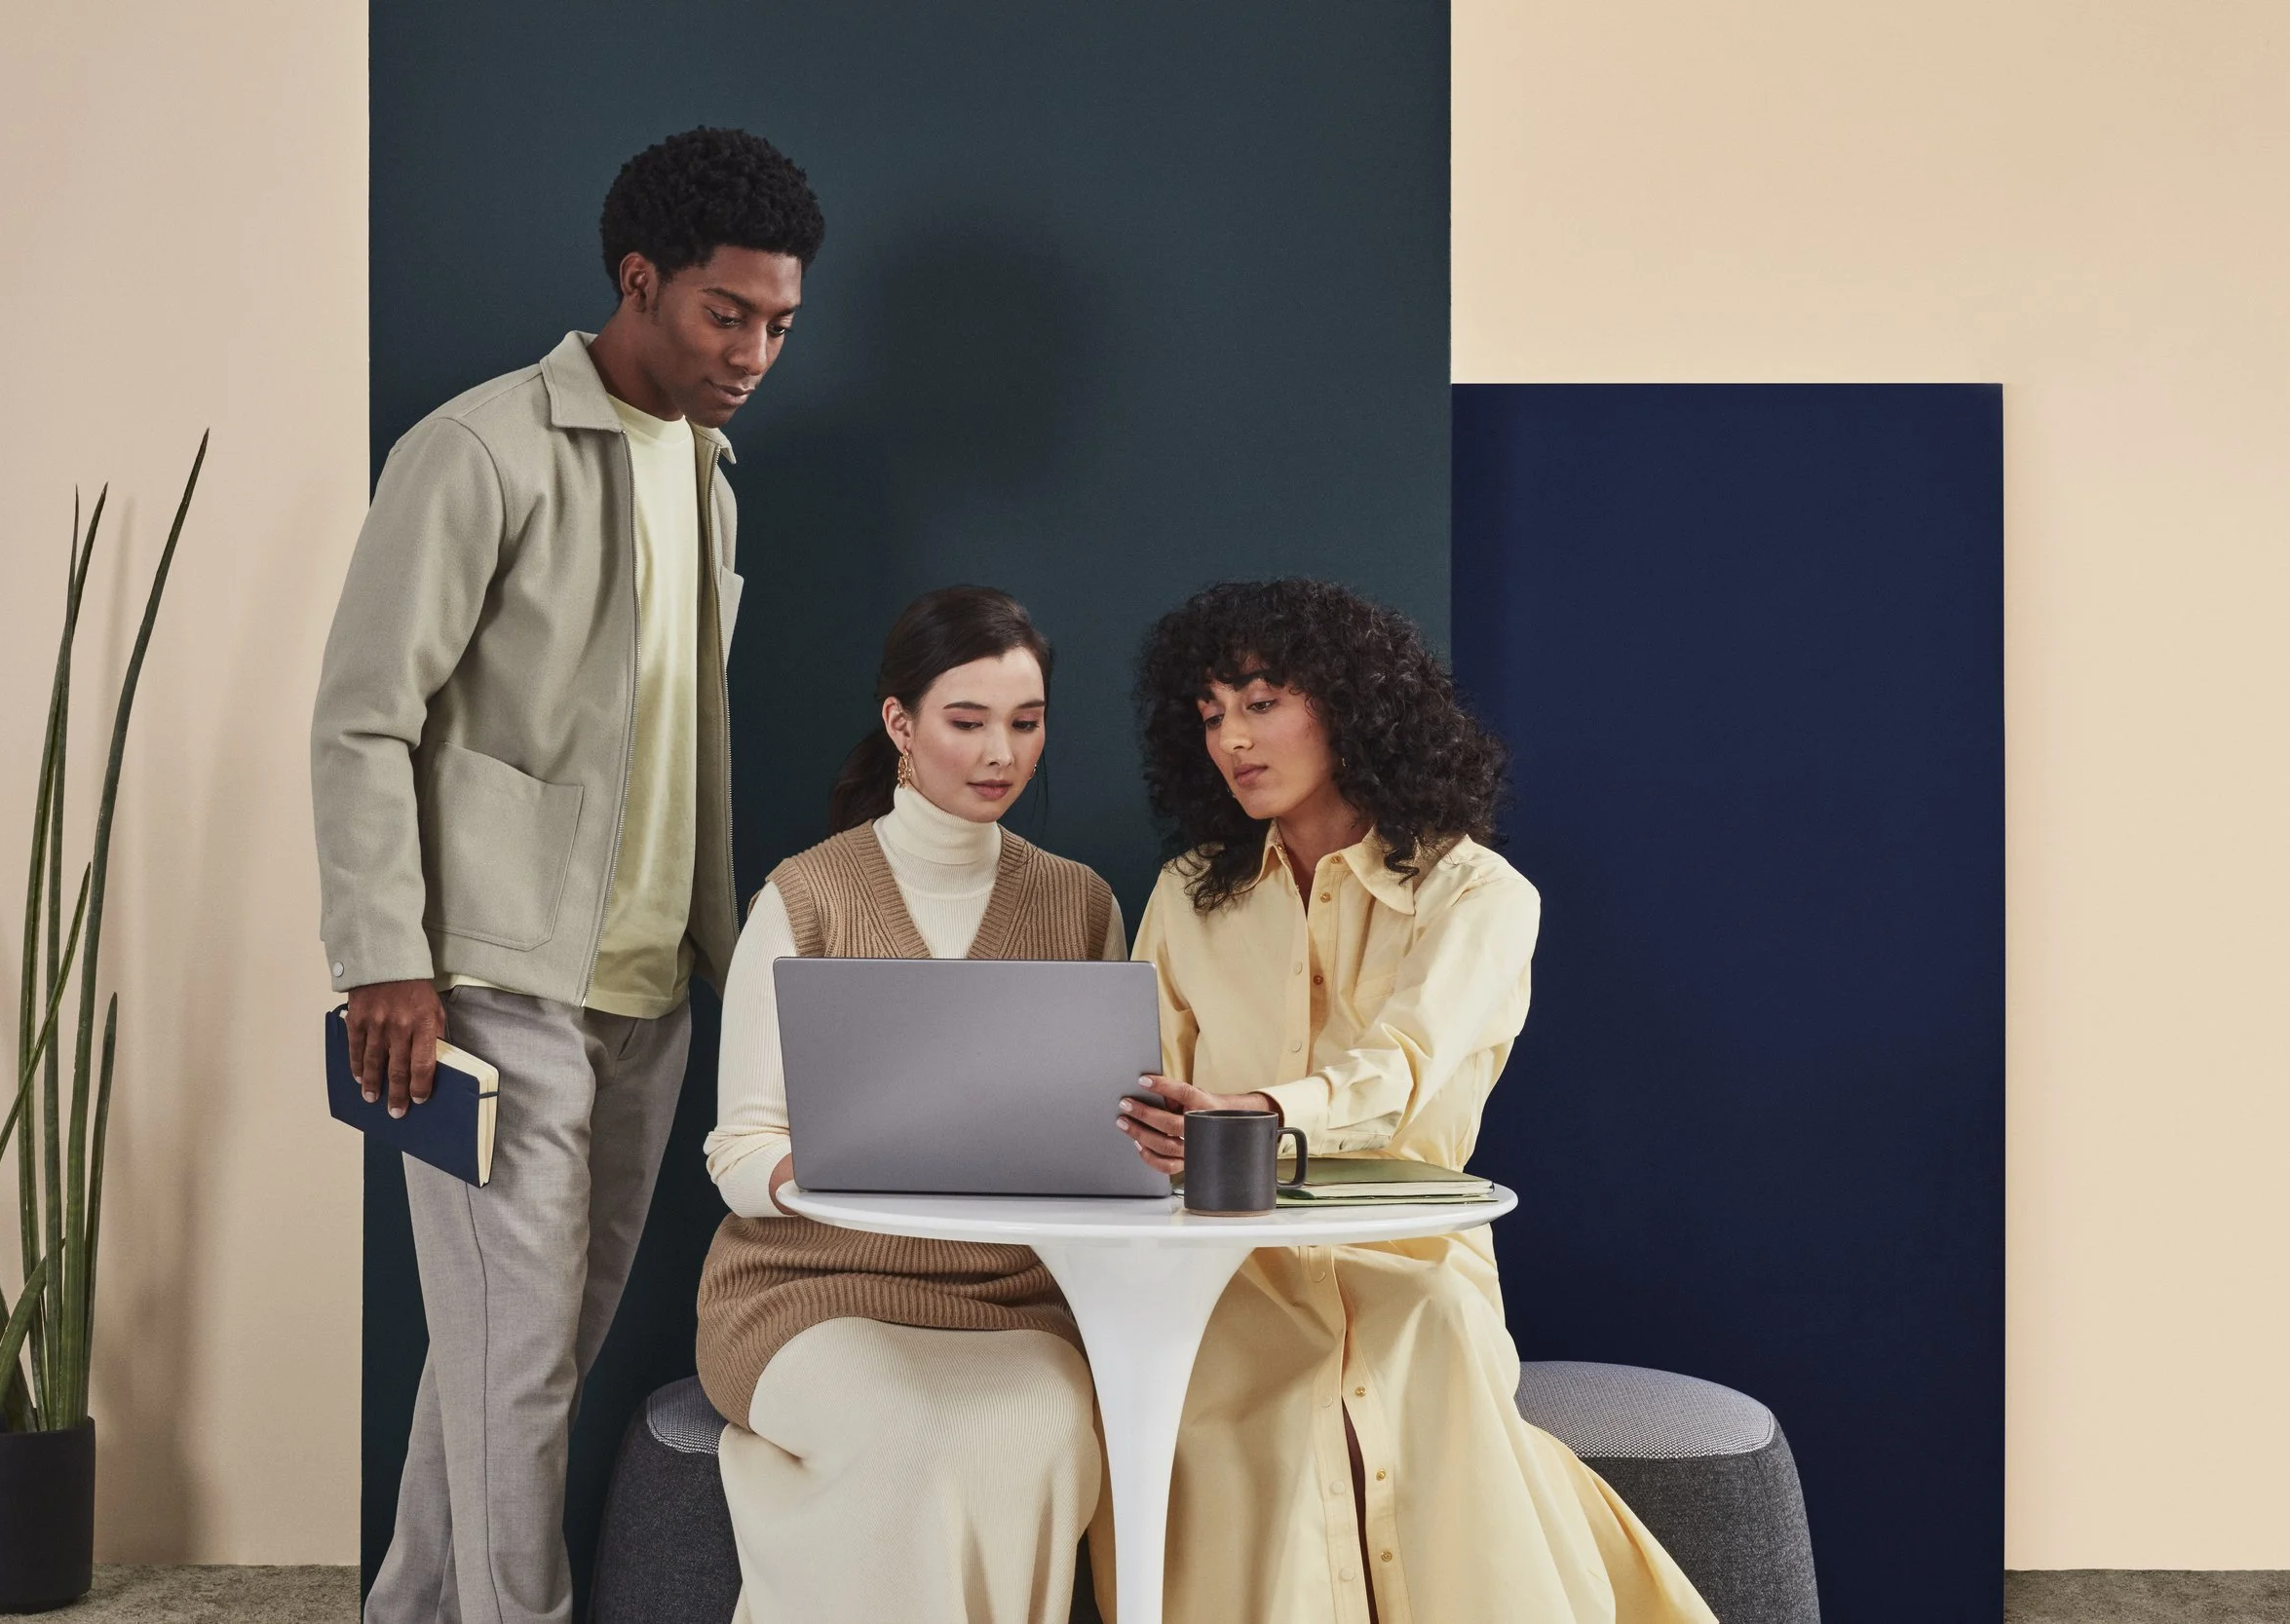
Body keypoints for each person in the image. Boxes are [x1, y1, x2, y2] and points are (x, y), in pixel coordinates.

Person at [310, 129, 823, 1624]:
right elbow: (360, 716)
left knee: (513, 1361)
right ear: (640, 279)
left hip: (646, 996)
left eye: (782, 324)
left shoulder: (711, 477)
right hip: (483, 991)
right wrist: (383, 957)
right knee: (518, 1369)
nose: (755, 352)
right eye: (728, 313)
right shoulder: (478, 450)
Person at [1113, 580, 1716, 1624]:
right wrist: (1158, 1131)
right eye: (1210, 713)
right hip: (1223, 1275)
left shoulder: (1478, 895)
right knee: (1246, 1416)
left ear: (1346, 702)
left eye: (1260, 700)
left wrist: (1261, 1108)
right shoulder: (1185, 893)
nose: (1231, 739)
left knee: (1417, 1342)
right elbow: (1142, 1091)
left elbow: (1405, 1069)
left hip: (1413, 1261)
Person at [697, 586, 1119, 1624]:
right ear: (900, 723)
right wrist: (831, 1163)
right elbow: (739, 1150)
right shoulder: (806, 897)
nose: (998, 753)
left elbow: (1101, 1139)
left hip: (1013, 1304)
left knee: (1041, 1420)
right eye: (965, 721)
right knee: (908, 1427)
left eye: (1024, 723)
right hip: (805, 1294)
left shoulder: (1082, 903)